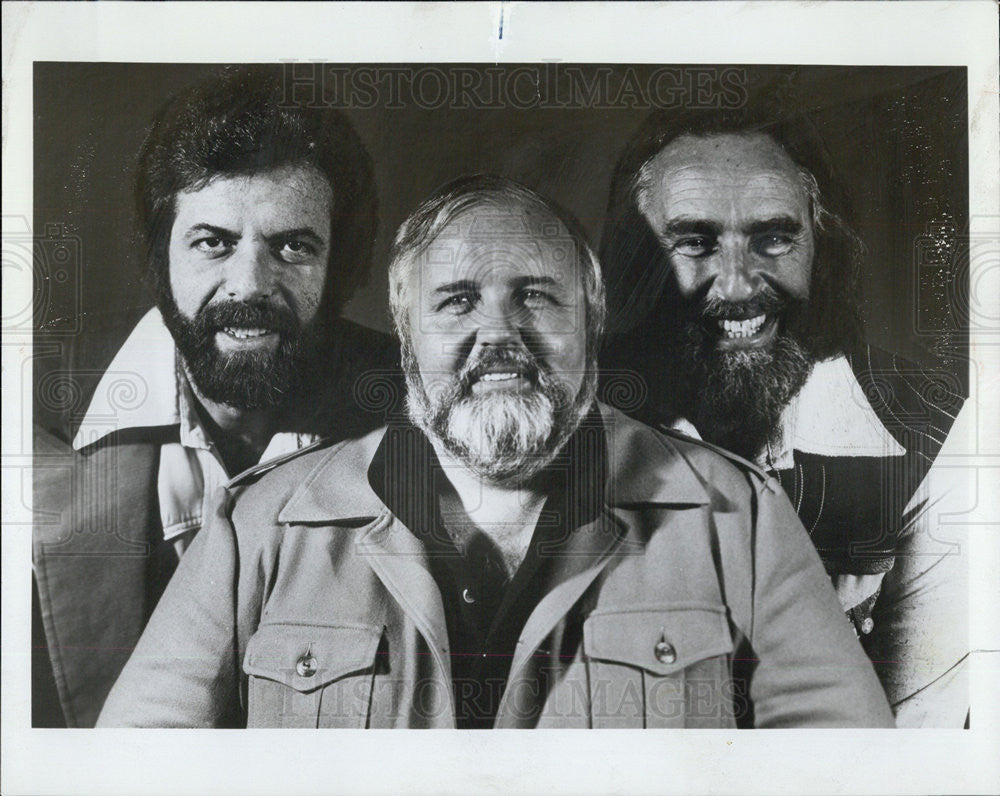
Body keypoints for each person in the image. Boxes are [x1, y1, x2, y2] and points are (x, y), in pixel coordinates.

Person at [97, 176, 892, 729]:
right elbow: (132, 770)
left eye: (536, 297)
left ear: (593, 319)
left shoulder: (740, 520)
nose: (499, 336)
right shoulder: (258, 529)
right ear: (407, 336)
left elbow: (848, 772)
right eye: (457, 302)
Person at [32, 66, 398, 727]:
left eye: (293, 246)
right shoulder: (37, 438)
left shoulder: (424, 416)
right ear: (159, 259)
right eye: (212, 243)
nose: (248, 285)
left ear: (343, 266)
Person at [599, 104, 969, 726]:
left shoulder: (935, 426)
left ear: (822, 246)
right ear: (638, 266)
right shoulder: (577, 421)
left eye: (774, 237)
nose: (739, 285)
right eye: (694, 241)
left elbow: (912, 743)